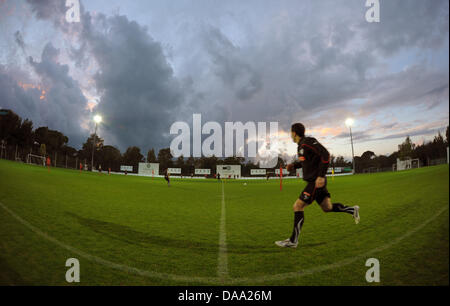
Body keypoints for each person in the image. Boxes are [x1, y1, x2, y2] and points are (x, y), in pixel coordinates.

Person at [275, 123, 360, 248]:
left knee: (298, 206)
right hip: (316, 182)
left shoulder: (307, 141)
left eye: (291, 133)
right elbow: (307, 161)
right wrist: (294, 166)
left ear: (294, 133)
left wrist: (320, 175)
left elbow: (325, 154)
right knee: (327, 207)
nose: (290, 135)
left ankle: (293, 241)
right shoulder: (300, 147)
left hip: (315, 181)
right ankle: (352, 210)